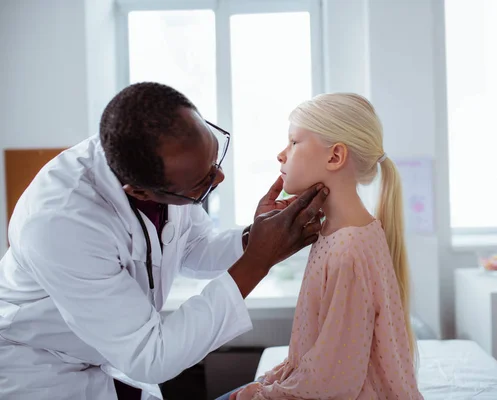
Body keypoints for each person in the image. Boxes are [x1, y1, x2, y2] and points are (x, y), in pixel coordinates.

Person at [0, 82, 329, 400]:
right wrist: (258, 260)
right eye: (202, 183)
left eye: (215, 159)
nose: (219, 177)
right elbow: (150, 356)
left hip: (106, 357)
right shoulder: (61, 224)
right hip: (40, 368)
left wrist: (254, 236)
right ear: (141, 192)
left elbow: (192, 248)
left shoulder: (160, 158)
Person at [220, 93, 423, 399]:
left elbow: (334, 379)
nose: (281, 154)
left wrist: (264, 395)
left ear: (334, 157)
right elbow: (323, 354)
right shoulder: (341, 231)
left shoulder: (348, 248)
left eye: (294, 142)